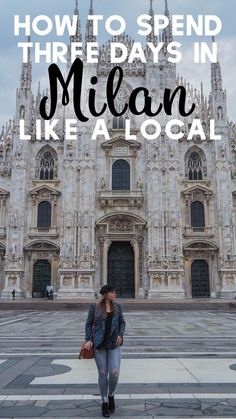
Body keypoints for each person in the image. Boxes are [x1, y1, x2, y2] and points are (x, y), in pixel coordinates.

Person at [84, 285, 126, 418]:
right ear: (106, 294)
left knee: (114, 373)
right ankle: (104, 402)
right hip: (99, 345)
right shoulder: (94, 307)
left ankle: (111, 394)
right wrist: (88, 339)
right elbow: (89, 324)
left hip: (114, 344)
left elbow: (122, 323)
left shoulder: (117, 307)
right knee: (102, 373)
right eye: (112, 292)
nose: (115, 294)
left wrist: (120, 335)